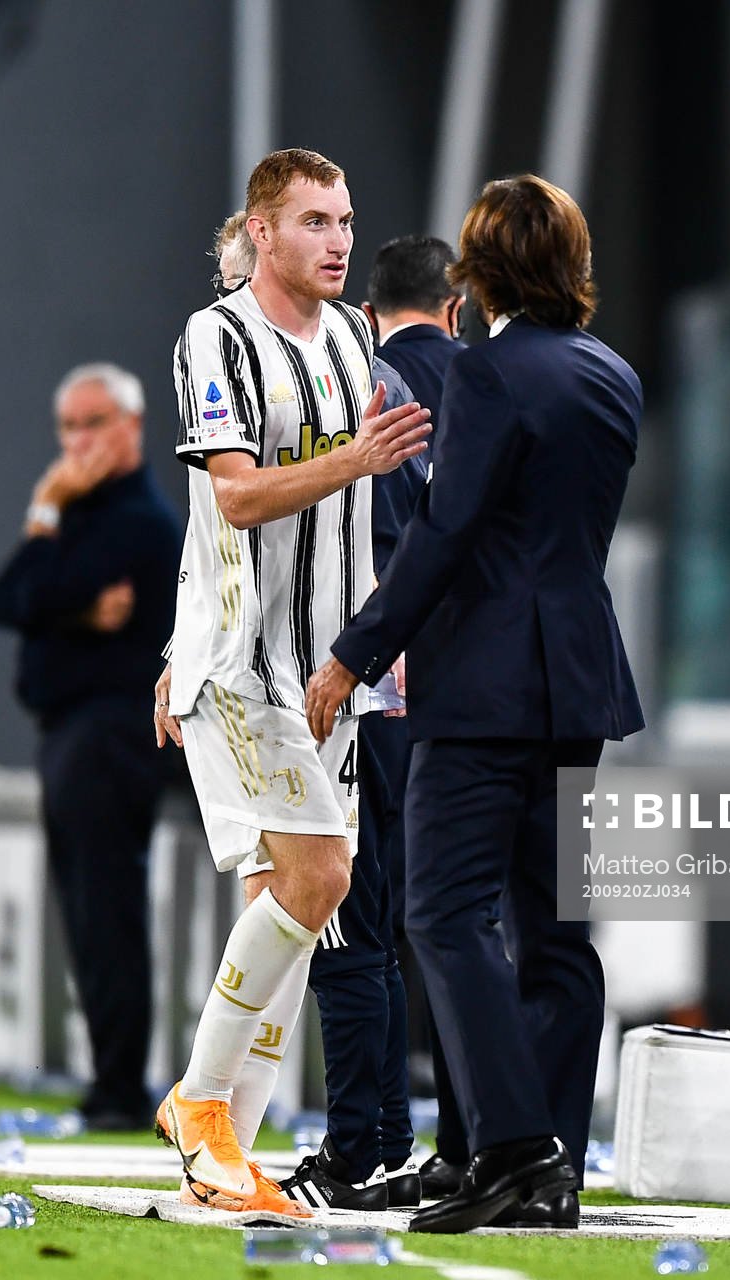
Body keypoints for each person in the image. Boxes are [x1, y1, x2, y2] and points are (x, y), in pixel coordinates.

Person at [306, 175, 643, 1233]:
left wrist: (354, 655)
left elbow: (446, 535)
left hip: (484, 685)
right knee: (558, 935)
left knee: (442, 912)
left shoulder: (488, 375)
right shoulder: (614, 376)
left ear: (479, 271)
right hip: (581, 681)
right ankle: (554, 1167)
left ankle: (507, 1147)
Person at [150, 148, 430, 1218]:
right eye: (315, 220)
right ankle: (201, 1104)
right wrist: (182, 644)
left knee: (292, 902)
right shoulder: (215, 336)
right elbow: (231, 499)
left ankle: (232, 1152)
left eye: (347, 219)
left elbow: (354, 518)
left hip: (329, 673)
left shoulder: (356, 339)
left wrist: (368, 641)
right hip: (246, 662)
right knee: (318, 882)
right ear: (261, 233)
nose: (339, 239)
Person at [216, 212, 424, 1211]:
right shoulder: (448, 391)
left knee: (340, 921)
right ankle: (392, 1134)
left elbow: (303, 540)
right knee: (387, 925)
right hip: (416, 692)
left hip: (331, 684)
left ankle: (356, 1145)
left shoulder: (347, 398)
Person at [0, 362, 181, 1129]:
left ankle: (121, 1087)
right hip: (72, 730)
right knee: (92, 911)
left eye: (93, 423)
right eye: (67, 426)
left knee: (108, 909)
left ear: (132, 427)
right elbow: (6, 601)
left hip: (110, 731)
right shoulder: (82, 514)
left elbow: (22, 595)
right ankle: (113, 1080)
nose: (76, 441)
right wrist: (68, 603)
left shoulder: (137, 521)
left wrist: (45, 517)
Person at [359, 233, 472, 1200]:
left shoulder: (360, 389)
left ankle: (378, 1133)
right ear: (457, 304)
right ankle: (484, 1138)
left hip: (378, 680)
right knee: (479, 919)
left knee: (381, 919)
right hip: (492, 685)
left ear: (370, 312)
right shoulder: (495, 383)